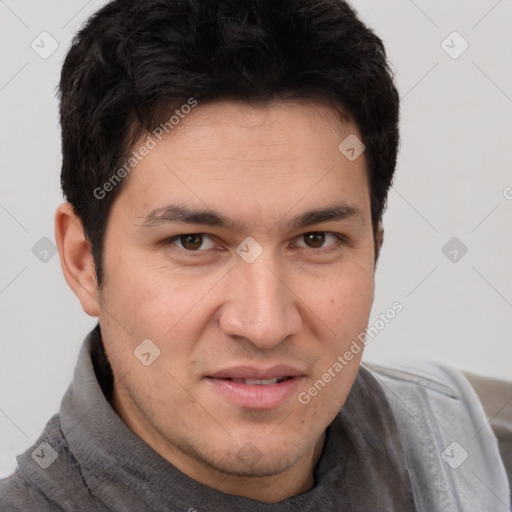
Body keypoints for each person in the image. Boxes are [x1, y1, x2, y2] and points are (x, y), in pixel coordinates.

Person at [0, 0, 509, 510]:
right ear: (84, 261)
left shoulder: (486, 456)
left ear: (374, 248)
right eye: (193, 242)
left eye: (316, 239)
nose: (264, 324)